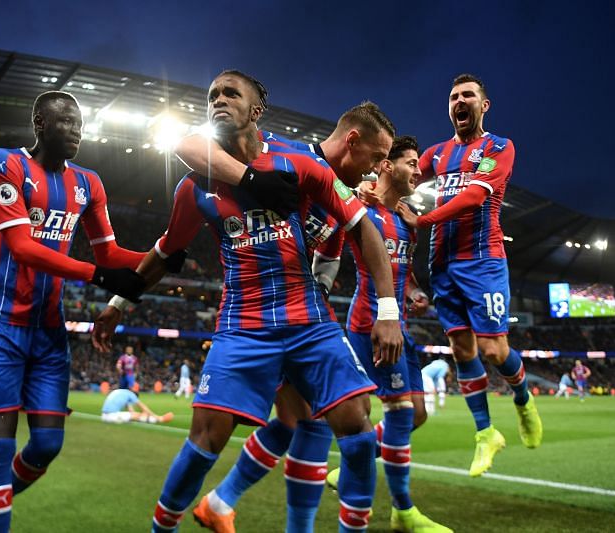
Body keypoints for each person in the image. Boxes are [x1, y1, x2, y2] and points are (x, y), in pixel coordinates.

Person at [91, 70, 403, 533]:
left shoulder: (300, 165)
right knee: (206, 439)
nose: (219, 98)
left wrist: (389, 309)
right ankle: (167, 525)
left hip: (308, 319)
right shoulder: (194, 187)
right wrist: (120, 302)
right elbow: (165, 250)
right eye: (213, 93)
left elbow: (363, 226)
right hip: (243, 324)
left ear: (256, 109)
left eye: (231, 93)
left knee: (357, 430)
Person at [172, 101, 400, 532]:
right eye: (374, 158)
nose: (374, 171)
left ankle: (221, 502)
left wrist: (325, 284)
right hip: (256, 317)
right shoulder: (288, 158)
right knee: (311, 424)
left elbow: (336, 248)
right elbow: (189, 144)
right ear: (352, 141)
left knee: (300, 422)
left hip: (302, 316)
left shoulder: (337, 188)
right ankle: (227, 503)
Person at [0, 90, 153, 533]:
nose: (77, 131)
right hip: (0, 325)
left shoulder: (88, 182)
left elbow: (108, 252)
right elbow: (22, 246)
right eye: (67, 122)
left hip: (49, 333)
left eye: (81, 124)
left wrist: (160, 253)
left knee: (47, 444)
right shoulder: (4, 163)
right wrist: (97, 276)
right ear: (40, 123)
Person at [395, 74, 543, 477]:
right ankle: (485, 434)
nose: (459, 101)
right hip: (442, 264)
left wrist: (422, 218)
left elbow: (476, 195)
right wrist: (373, 182)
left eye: (467, 95)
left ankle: (523, 399)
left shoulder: (499, 147)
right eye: (453, 96)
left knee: (494, 350)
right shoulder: (438, 154)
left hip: (483, 262)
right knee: (462, 350)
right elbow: (405, 178)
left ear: (484, 105)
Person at [323, 136, 450, 532]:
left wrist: (413, 292)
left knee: (417, 414)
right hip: (370, 326)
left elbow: (404, 273)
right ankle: (404, 511)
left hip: (401, 327)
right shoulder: (359, 207)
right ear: (384, 166)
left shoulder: (407, 218)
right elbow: (325, 236)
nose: (418, 170)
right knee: (398, 413)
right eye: (410, 163)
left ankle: (351, 462)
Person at [101, 387, 173, 424]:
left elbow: (131, 411)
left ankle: (151, 419)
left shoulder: (121, 391)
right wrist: (157, 417)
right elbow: (144, 407)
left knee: (135, 415)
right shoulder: (131, 395)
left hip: (103, 417)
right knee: (139, 415)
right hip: (112, 417)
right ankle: (157, 420)